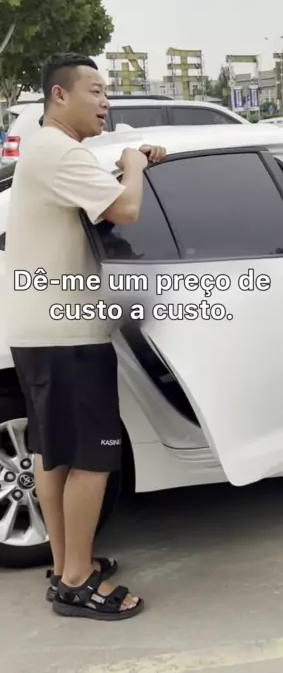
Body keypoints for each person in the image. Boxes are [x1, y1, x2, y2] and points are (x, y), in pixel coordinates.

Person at [4, 53, 166, 621]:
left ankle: (66, 565)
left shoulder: (44, 149)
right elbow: (125, 209)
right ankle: (78, 582)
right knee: (92, 459)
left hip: (40, 330)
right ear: (59, 96)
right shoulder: (61, 151)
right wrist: (134, 165)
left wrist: (128, 165)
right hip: (68, 334)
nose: (105, 102)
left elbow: (97, 201)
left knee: (53, 455)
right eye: (94, 91)